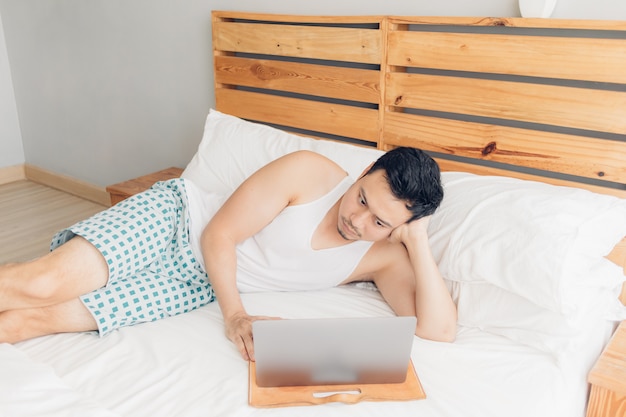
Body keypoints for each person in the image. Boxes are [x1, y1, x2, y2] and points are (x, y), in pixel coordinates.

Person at [0, 147, 457, 360]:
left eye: (380, 222)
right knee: (41, 285)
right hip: (176, 222)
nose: (357, 222)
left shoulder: (386, 257)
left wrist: (415, 242)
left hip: (192, 284)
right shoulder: (309, 172)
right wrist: (236, 316)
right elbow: (218, 234)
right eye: (361, 198)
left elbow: (438, 331)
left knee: (32, 321)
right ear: (362, 172)